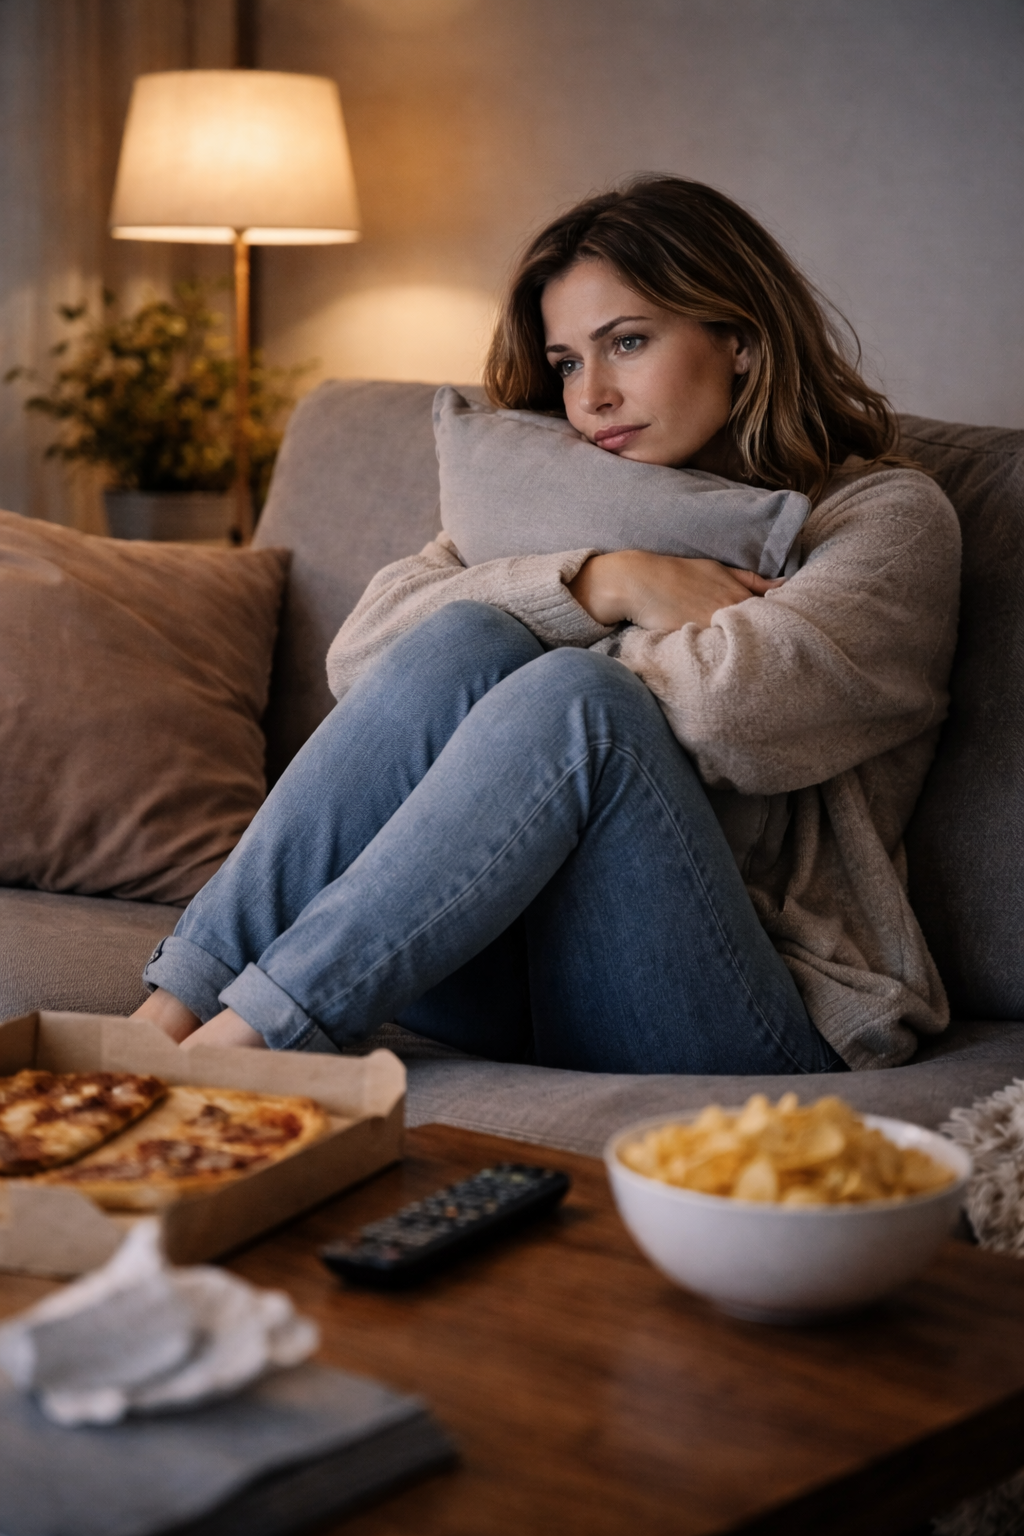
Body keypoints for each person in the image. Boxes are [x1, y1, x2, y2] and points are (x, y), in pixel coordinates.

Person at [135, 175, 960, 1075]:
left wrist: (553, 646)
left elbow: (738, 714)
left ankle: (241, 1047)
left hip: (752, 1000)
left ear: (742, 343)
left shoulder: (886, 517)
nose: (592, 395)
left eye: (628, 343)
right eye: (568, 362)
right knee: (464, 640)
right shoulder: (567, 504)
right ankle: (163, 1017)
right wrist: (604, 581)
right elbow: (371, 659)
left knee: (576, 698)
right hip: (504, 955)